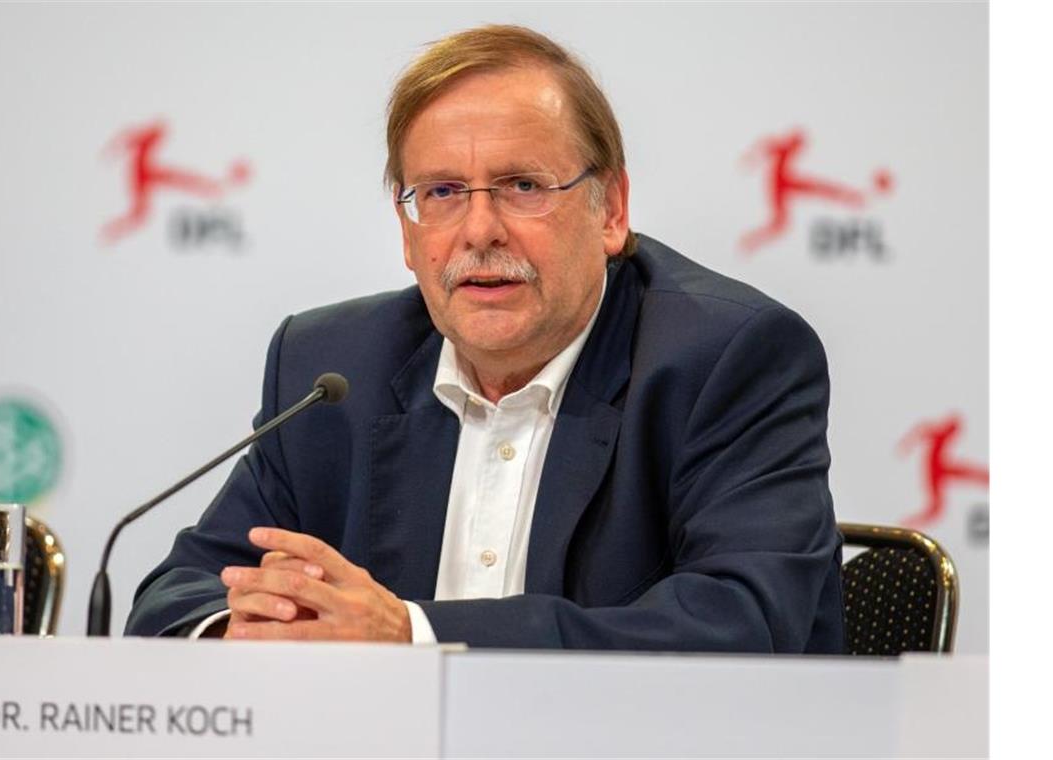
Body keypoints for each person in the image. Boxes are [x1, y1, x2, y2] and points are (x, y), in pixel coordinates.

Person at [125, 24, 845, 652]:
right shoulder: (329, 369)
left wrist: (414, 637)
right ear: (407, 233)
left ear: (611, 210)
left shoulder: (727, 358)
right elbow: (180, 595)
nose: (479, 230)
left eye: (523, 186)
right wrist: (249, 632)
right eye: (440, 193)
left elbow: (742, 624)